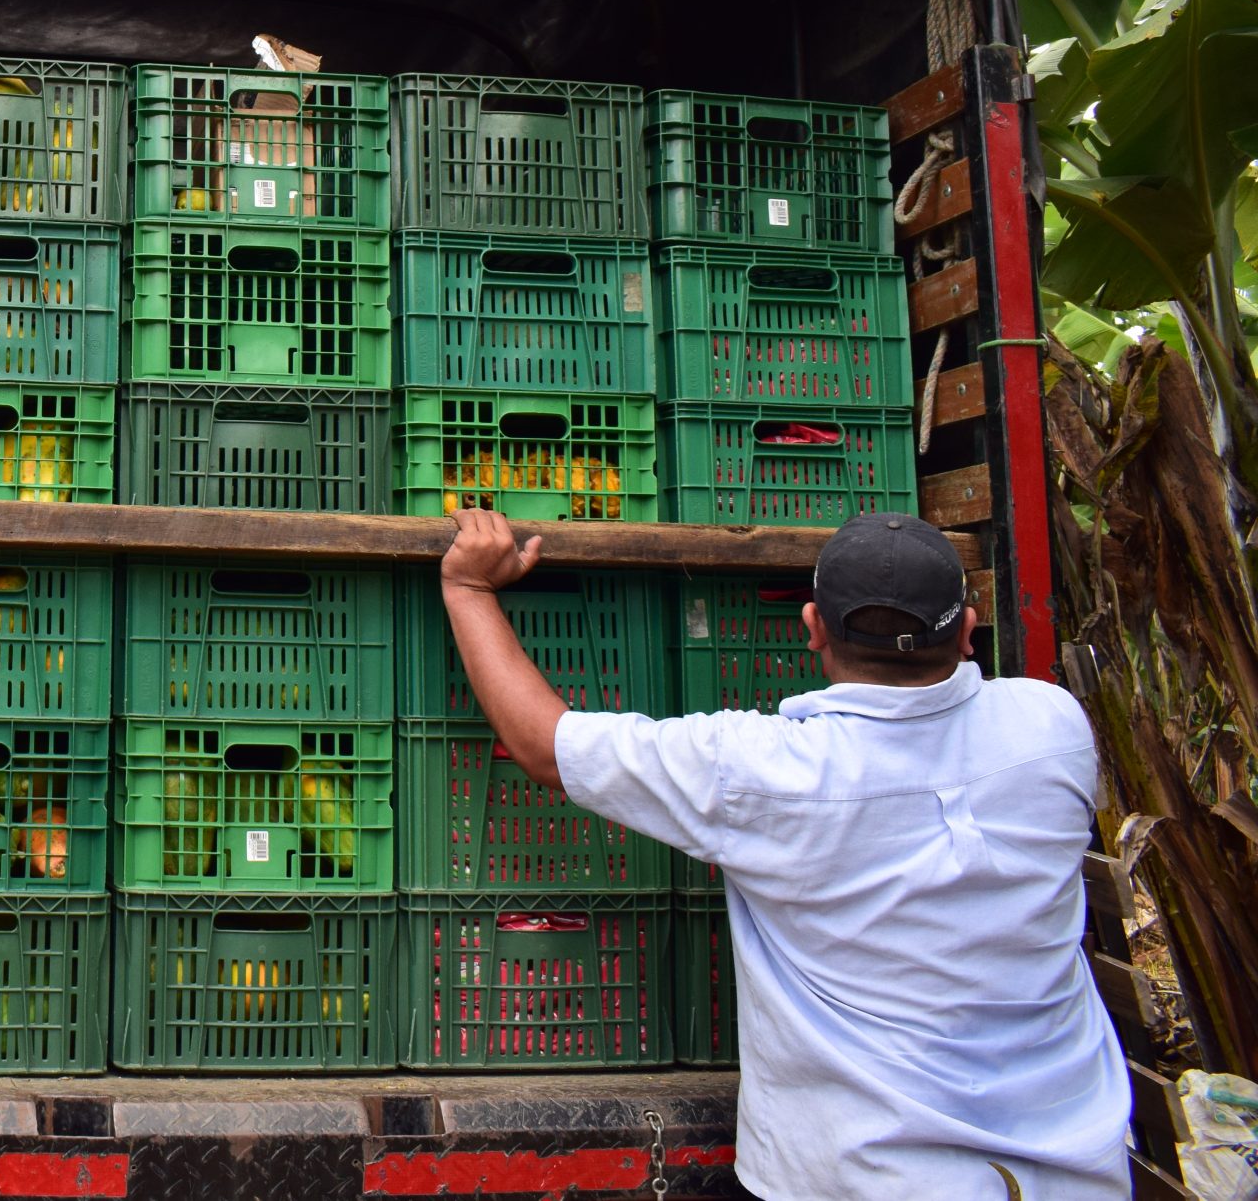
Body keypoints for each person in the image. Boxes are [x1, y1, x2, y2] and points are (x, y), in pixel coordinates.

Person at [438, 507, 1128, 1199]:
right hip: (1072, 1176)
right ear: (968, 631)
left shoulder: (768, 774)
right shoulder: (1054, 728)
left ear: (812, 629)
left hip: (868, 1180)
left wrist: (468, 589)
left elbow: (545, 743)